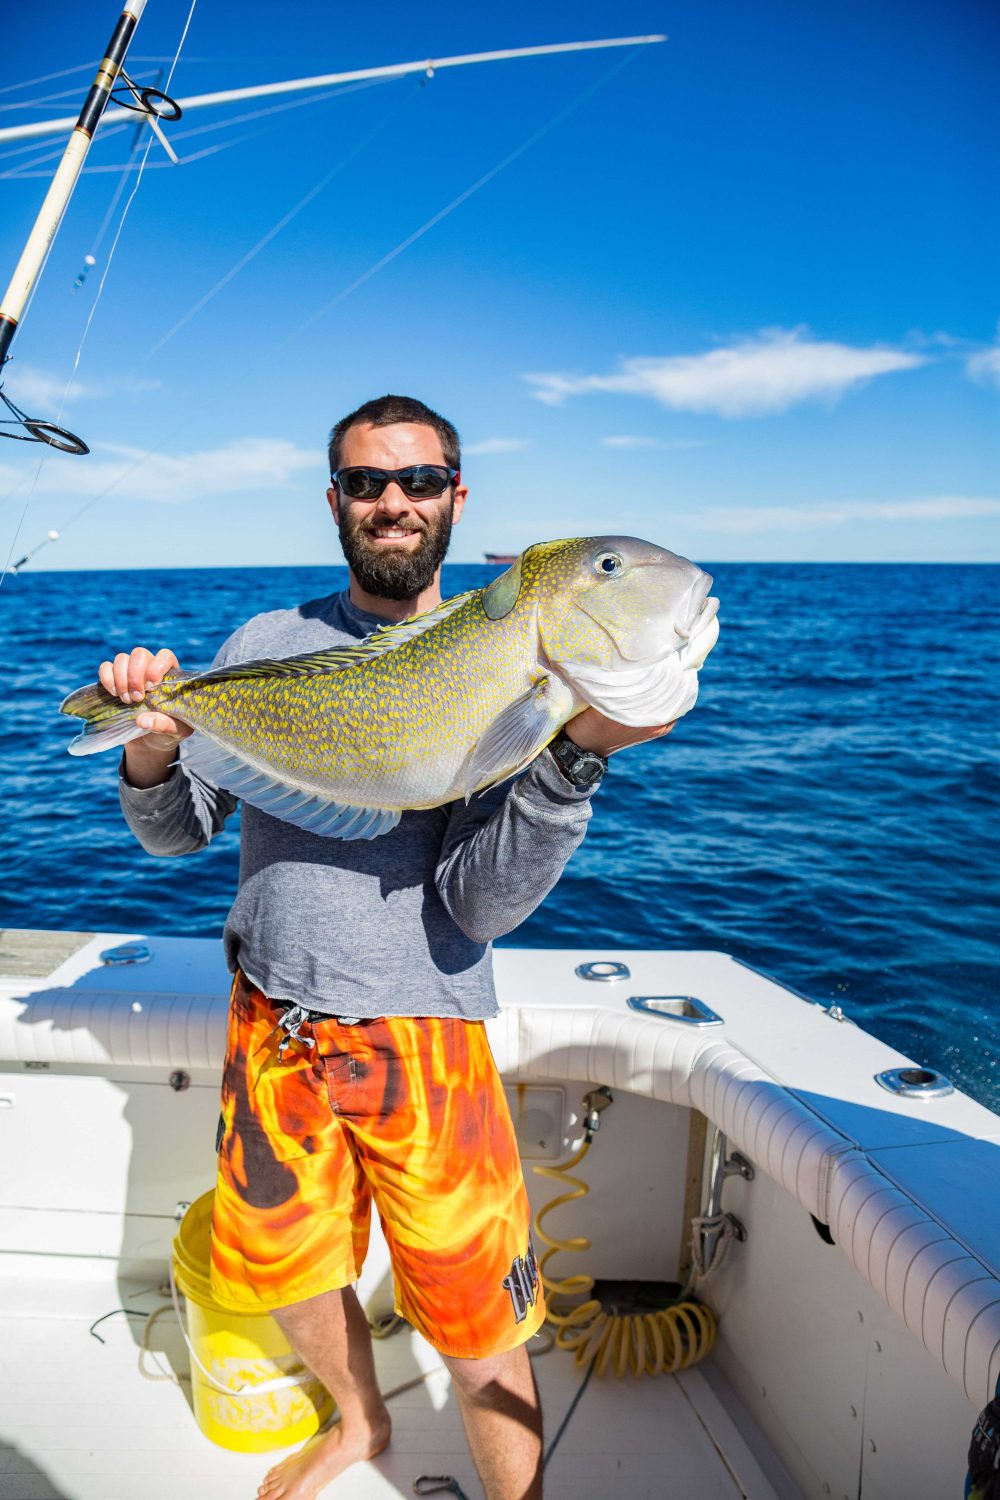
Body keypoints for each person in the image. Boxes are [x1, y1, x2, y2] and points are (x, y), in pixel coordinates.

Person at [104, 394, 672, 1500]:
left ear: (457, 497)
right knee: (288, 1266)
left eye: (418, 480)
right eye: (367, 483)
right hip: (271, 1017)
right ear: (336, 502)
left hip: (426, 1032)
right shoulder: (264, 646)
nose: (393, 502)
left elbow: (480, 904)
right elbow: (178, 834)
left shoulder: (510, 660)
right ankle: (358, 1423)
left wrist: (571, 758)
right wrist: (150, 751)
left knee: (475, 1315)